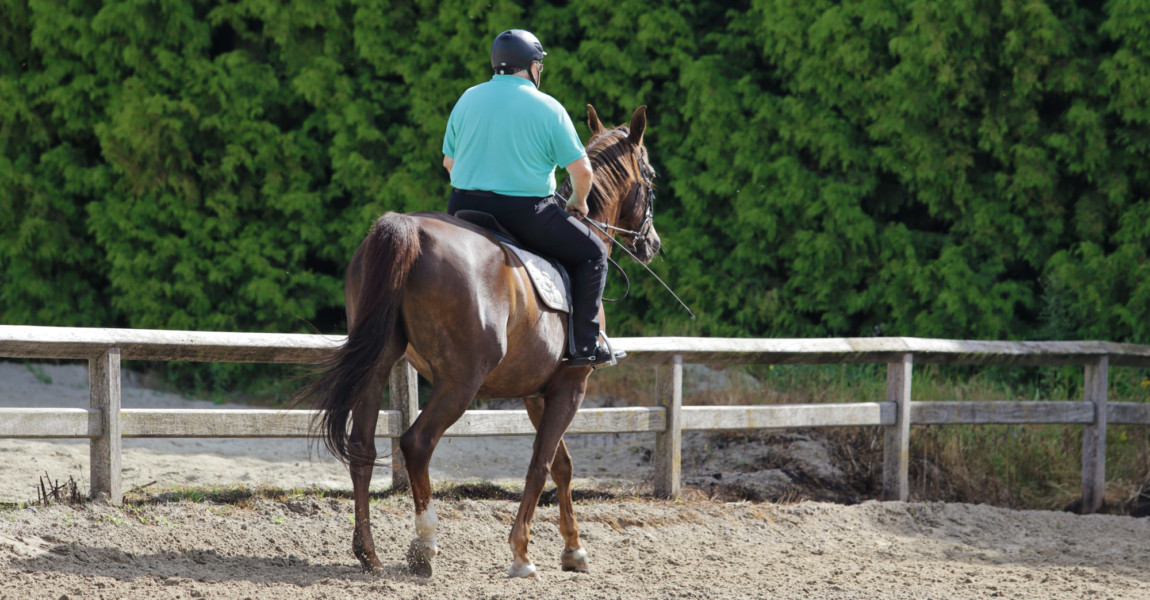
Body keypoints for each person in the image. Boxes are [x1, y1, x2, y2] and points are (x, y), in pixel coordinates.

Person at [442, 29, 617, 367]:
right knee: (594, 252)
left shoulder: (467, 98)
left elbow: (449, 163)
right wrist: (578, 202)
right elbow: (582, 171)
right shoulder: (547, 107)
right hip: (524, 213)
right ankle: (584, 346)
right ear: (533, 66)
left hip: (462, 208)